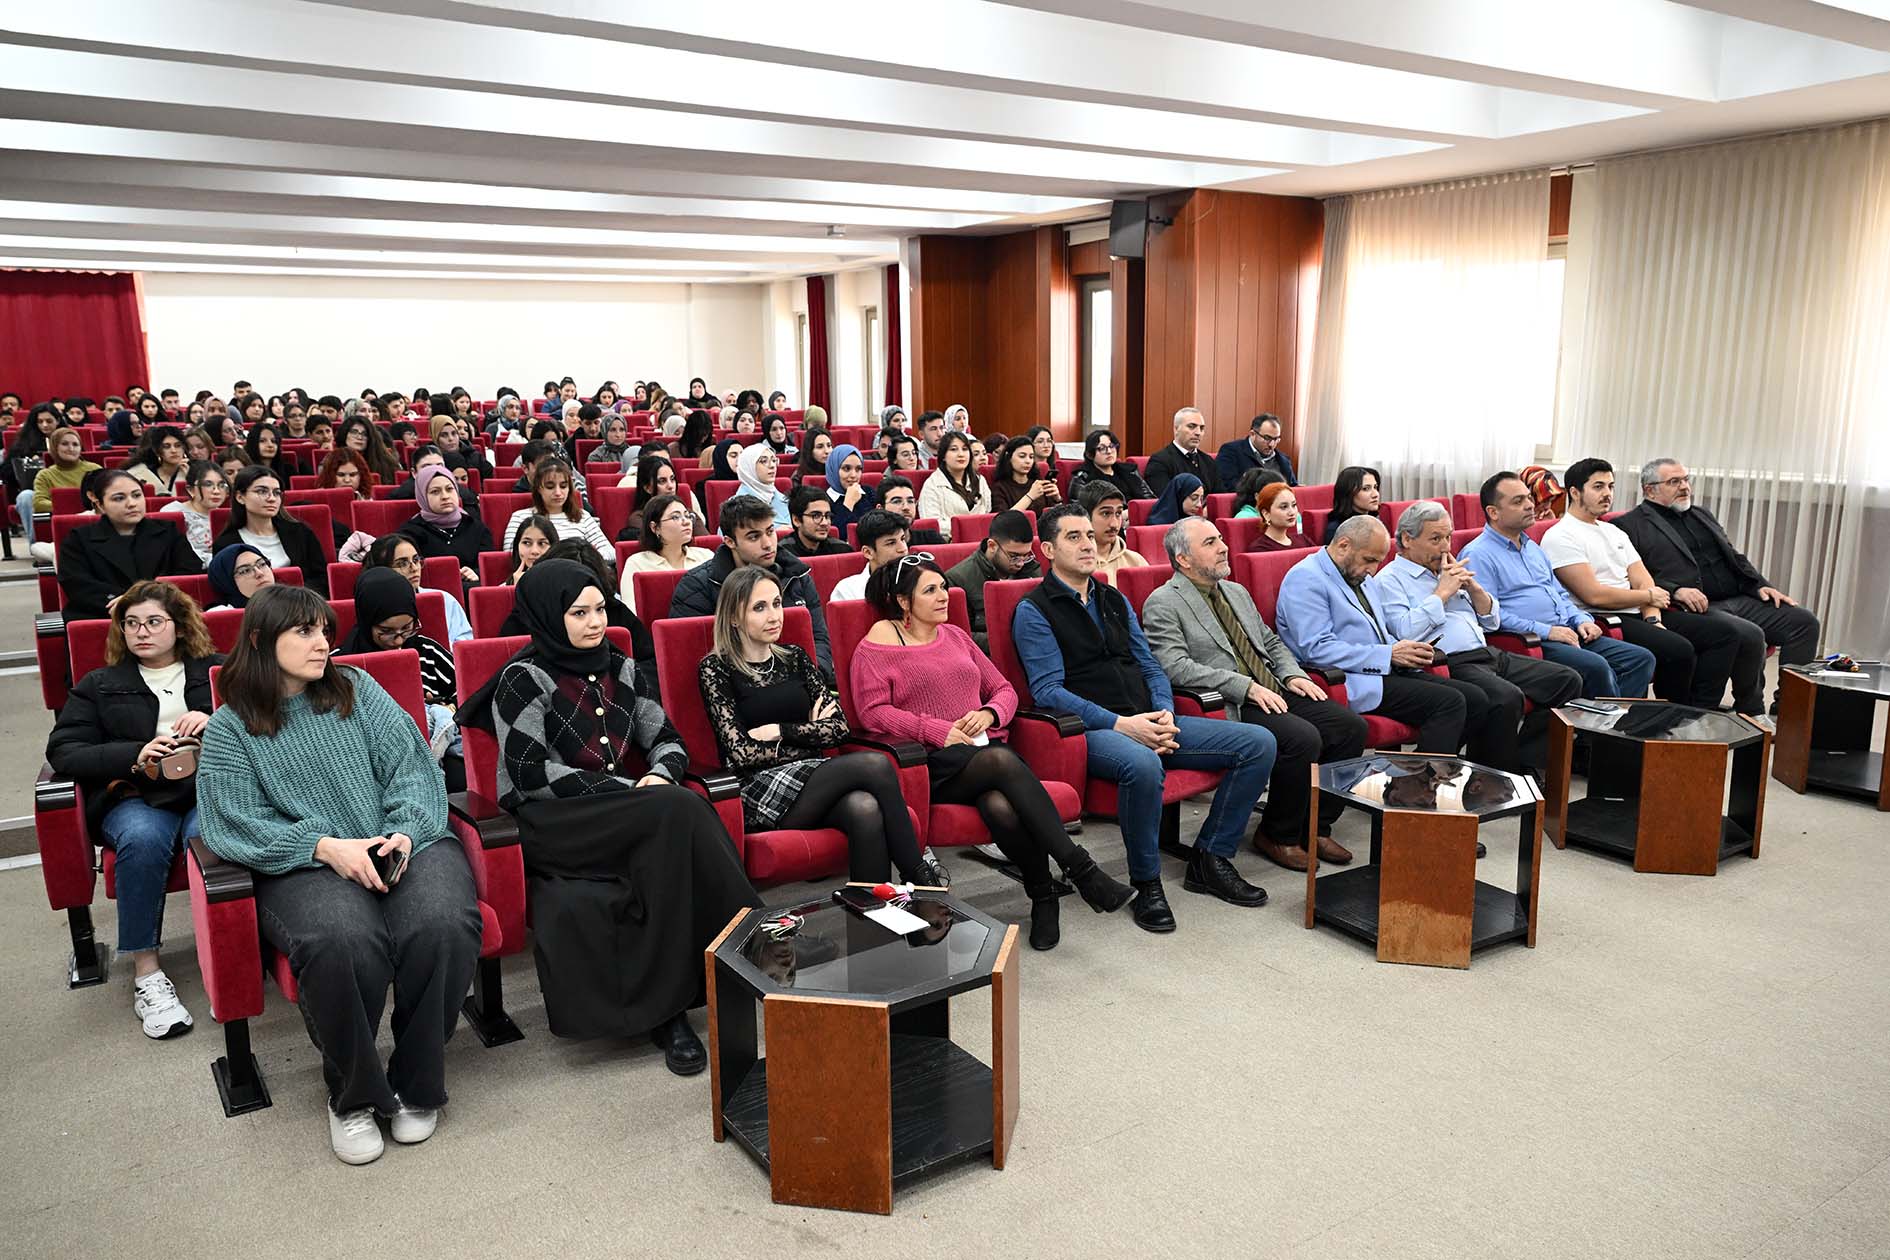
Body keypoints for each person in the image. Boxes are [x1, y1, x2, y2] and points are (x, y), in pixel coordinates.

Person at [197, 585, 481, 1166]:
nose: (321, 642)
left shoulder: (357, 688)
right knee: (341, 941)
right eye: (303, 632)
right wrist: (325, 847)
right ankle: (352, 1095)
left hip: (401, 838)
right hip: (306, 860)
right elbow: (232, 822)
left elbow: (411, 766)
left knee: (444, 923)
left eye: (324, 629)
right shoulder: (232, 727)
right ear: (259, 640)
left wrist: (403, 831)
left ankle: (416, 1081)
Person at [452, 561, 758, 1069]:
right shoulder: (521, 678)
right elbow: (529, 774)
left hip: (628, 813)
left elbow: (666, 739)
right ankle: (756, 935)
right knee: (678, 808)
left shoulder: (621, 666)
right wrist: (632, 788)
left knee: (667, 831)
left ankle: (672, 1011)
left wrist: (660, 773)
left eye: (599, 608)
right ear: (550, 616)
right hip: (553, 822)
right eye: (579, 613)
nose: (596, 622)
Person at [1013, 503, 1277, 932]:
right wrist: (1123, 725)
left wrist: (1165, 713)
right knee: (1142, 761)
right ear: (1047, 549)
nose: (1088, 545)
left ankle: (1211, 857)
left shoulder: (1113, 598)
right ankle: (1147, 882)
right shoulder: (1034, 609)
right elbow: (1049, 692)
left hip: (1148, 717)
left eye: (1089, 535)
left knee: (1257, 743)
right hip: (1093, 730)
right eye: (1073, 537)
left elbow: (1151, 665)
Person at [852, 556, 1135, 948]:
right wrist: (937, 730)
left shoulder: (955, 636)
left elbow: (1004, 691)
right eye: (929, 590)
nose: (943, 596)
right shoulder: (878, 643)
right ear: (903, 601)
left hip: (981, 757)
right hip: (928, 763)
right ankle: (1082, 870)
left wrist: (987, 714)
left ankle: (1044, 895)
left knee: (1000, 805)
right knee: (1001, 761)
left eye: (943, 587)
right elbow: (873, 712)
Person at [46, 581, 221, 1038]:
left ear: (180, 627)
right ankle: (147, 973)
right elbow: (64, 750)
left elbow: (268, 717)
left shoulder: (216, 671)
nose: (141, 631)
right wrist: (134, 752)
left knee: (218, 836)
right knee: (143, 840)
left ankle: (235, 949)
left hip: (208, 789)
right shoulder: (101, 685)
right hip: (136, 794)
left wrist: (215, 715)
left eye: (153, 622)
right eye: (131, 623)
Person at [1142, 519, 1367, 871]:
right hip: (1228, 701)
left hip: (1271, 687)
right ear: (1183, 559)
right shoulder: (1164, 602)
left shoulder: (1236, 592)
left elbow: (1271, 642)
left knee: (1350, 727)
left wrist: (1292, 674)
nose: (1223, 547)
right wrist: (1243, 686)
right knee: (1302, 738)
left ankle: (1316, 825)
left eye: (1220, 539)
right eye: (1210, 543)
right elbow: (1174, 666)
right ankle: (1278, 833)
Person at [699, 567, 946, 885]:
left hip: (814, 776)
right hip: (759, 790)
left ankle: (874, 922)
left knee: (865, 808)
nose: (774, 615)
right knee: (875, 764)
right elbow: (742, 753)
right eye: (759, 608)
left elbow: (839, 726)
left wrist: (780, 731)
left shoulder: (796, 658)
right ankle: (919, 877)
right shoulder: (715, 668)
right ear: (734, 617)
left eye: (777, 603)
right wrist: (811, 733)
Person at [1376, 501, 1582, 773]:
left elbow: (1491, 621)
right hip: (1447, 663)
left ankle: (1527, 760)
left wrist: (1474, 590)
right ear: (1406, 539)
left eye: (1448, 536)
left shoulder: (1449, 569)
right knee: (1505, 697)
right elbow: (1405, 632)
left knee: (1566, 680)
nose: (1446, 547)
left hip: (1487, 652)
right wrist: (1442, 594)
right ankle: (1493, 776)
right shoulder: (1390, 579)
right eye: (1435, 539)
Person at [1275, 516, 1494, 763]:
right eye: (1369, 560)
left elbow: (1377, 632)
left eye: (1378, 562)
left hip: (1384, 669)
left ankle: (1415, 780)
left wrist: (1403, 649)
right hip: (1349, 678)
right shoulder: (1306, 578)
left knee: (1476, 699)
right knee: (1449, 703)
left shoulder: (1359, 576)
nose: (1373, 571)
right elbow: (1316, 649)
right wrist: (1387, 655)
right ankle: (1420, 792)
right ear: (1343, 545)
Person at [1613, 458, 1820, 715]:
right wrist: (1676, 589)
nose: (1684, 487)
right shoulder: (1628, 525)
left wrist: (1760, 586)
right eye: (1674, 482)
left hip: (1738, 597)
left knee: (1804, 622)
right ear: (1649, 489)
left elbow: (1734, 556)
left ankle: (1789, 711)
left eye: (1686, 480)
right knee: (1750, 634)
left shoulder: (1701, 514)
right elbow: (1630, 575)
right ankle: (1751, 711)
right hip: (1694, 606)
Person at [1459, 472, 1658, 702]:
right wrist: (1548, 631)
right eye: (1518, 501)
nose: (1529, 506)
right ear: (1493, 512)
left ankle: (1607, 729)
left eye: (1528, 498)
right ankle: (1601, 733)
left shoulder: (1531, 547)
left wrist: (1581, 619)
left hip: (1568, 631)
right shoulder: (1478, 554)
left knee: (1640, 658)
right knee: (1597, 667)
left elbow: (1559, 593)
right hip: (1531, 641)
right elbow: (1491, 616)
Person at [1543, 458, 1725, 707]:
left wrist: (1654, 620)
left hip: (1638, 611)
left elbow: (1643, 580)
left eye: (1611, 486)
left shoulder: (1613, 531)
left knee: (1722, 634)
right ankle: (1667, 720)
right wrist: (1649, 598)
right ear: (1575, 492)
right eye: (1598, 487)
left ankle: (1699, 712)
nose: (1607, 494)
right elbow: (1594, 595)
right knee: (1679, 650)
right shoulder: (1560, 535)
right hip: (1603, 617)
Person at [672, 495, 834, 676]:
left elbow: (819, 639)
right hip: (738, 689)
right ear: (730, 542)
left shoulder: (797, 575)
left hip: (801, 680)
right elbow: (694, 656)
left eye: (770, 531)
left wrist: (811, 679)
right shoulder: (698, 586)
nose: (767, 544)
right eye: (754, 536)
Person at [337, 567, 462, 768]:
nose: (397, 640)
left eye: (407, 628)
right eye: (386, 632)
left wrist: (447, 706)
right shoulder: (343, 663)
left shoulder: (427, 650)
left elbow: (467, 691)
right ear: (367, 621)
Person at [57, 469, 204, 618]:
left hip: (164, 610)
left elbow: (189, 571)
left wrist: (144, 599)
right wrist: (127, 604)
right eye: (119, 498)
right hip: (104, 614)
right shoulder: (78, 539)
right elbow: (78, 584)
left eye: (137, 495)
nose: (132, 504)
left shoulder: (168, 531)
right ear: (100, 505)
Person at [211, 466, 329, 596]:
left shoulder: (300, 532)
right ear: (240, 497)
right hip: (254, 609)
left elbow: (321, 578)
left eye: (277, 493)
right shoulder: (225, 544)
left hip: (302, 604)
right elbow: (228, 589)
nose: (272, 498)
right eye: (262, 491)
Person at [944, 509, 1039, 649]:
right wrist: (1015, 638)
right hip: (990, 655)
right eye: (1014, 556)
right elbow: (960, 636)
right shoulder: (958, 579)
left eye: (1026, 556)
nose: (1020, 563)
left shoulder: (1030, 567)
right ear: (992, 546)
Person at [501, 458, 612, 569]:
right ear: (539, 488)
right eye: (550, 487)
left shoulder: (583, 516)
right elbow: (512, 555)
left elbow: (610, 552)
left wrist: (583, 556)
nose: (558, 493)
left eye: (563, 486)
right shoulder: (520, 517)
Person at [366, 534, 472, 644]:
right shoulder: (372, 606)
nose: (414, 568)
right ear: (382, 570)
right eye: (402, 563)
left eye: (416, 560)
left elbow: (465, 644)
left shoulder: (444, 599)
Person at [398, 465, 494, 587]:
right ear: (422, 496)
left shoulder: (476, 527)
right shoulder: (409, 533)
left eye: (449, 489)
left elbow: (490, 568)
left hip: (473, 590)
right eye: (435, 492)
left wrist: (476, 573)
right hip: (431, 593)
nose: (445, 496)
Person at [619, 493, 714, 614]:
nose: (686, 522)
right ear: (655, 528)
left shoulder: (707, 557)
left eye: (687, 516)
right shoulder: (637, 563)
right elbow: (631, 613)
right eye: (675, 517)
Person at [916, 431, 990, 539]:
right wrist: (966, 527)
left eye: (965, 449)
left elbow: (987, 511)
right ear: (943, 456)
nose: (961, 454)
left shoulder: (980, 480)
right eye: (954, 449)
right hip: (950, 543)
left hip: (981, 541)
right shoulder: (932, 485)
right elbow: (932, 524)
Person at [828, 508, 912, 603]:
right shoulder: (848, 591)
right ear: (868, 552)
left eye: (903, 539)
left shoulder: (920, 581)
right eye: (891, 543)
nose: (903, 549)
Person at [617, 455, 705, 539]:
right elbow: (657, 545)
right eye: (662, 481)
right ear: (647, 488)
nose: (670, 486)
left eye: (672, 479)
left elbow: (706, 542)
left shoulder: (687, 513)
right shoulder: (639, 518)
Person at [160, 460, 230, 563]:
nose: (216, 491)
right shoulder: (173, 512)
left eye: (221, 485)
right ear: (191, 490)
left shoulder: (226, 516)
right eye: (208, 484)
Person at [1142, 406, 1221, 496]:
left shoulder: (1208, 461)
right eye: (1191, 427)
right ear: (1176, 429)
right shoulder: (1160, 461)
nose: (1198, 432)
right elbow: (1165, 499)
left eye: (1202, 428)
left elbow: (1220, 497)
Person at [1082, 481, 1147, 585]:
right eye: (1106, 513)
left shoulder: (1136, 561)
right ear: (1086, 517)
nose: (1114, 524)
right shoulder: (1075, 565)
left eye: (1118, 513)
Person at [1215, 412, 1298, 488]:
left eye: (1276, 439)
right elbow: (1227, 485)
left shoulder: (1284, 460)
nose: (1271, 444)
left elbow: (1293, 487)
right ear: (1252, 434)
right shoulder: (1231, 451)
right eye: (1267, 438)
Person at [1068, 429, 1153, 502]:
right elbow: (1079, 510)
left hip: (1136, 516)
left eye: (1111, 446)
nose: (1109, 451)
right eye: (1101, 448)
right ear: (1090, 454)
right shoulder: (1082, 477)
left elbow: (1149, 500)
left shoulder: (1129, 471)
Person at [989, 435, 1061, 514]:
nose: (1028, 461)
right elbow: (1002, 520)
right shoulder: (1000, 488)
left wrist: (1057, 499)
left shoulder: (1038, 484)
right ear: (1008, 457)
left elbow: (1055, 517)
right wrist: (1030, 496)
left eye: (1031, 457)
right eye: (1022, 456)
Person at [824, 442, 877, 539]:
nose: (853, 475)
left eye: (858, 469)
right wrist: (848, 503)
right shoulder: (823, 500)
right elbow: (835, 537)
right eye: (846, 468)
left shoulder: (869, 492)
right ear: (834, 469)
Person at [781, 484, 851, 559]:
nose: (824, 523)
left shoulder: (842, 550)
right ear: (796, 520)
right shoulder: (783, 554)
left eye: (827, 516)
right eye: (816, 516)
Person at [732, 442, 791, 530]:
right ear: (749, 467)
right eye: (764, 461)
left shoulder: (784, 500)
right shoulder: (735, 508)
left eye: (774, 460)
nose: (772, 466)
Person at [876, 473, 946, 544]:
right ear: (880, 508)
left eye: (910, 501)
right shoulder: (872, 544)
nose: (906, 507)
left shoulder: (931, 539)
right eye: (897, 501)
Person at [205, 542, 277, 610]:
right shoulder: (220, 616)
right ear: (227, 583)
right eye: (245, 571)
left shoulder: (287, 601)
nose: (259, 573)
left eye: (262, 564)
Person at [1247, 482, 1316, 551]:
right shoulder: (1260, 549)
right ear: (1266, 514)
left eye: (1294, 505)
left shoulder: (1303, 540)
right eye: (1284, 507)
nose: (1292, 512)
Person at [1321, 466, 1382, 544]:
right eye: (1366, 489)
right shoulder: (1338, 529)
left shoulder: (1375, 521)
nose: (1375, 494)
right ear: (1348, 493)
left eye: (1375, 487)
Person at [125, 424, 188, 496]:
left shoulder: (195, 472)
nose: (173, 450)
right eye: (166, 446)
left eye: (178, 446)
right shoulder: (138, 474)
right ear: (157, 451)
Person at [506, 514, 557, 585]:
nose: (534, 551)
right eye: (526, 543)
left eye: (542, 543)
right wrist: (517, 587)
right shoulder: (504, 589)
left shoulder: (567, 584)